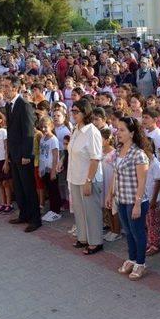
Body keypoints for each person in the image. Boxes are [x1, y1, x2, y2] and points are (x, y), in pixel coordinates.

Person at [106, 116, 150, 278]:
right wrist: (110, 194)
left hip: (135, 201)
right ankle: (131, 259)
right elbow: (115, 175)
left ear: (132, 133)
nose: (118, 133)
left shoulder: (138, 154)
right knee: (129, 232)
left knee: (138, 232)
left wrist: (138, 204)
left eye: (122, 130)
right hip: (122, 199)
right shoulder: (118, 151)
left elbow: (142, 180)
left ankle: (140, 263)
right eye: (117, 129)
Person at [2, 75, 41, 233]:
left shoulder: (24, 105)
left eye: (6, 87)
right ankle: (24, 214)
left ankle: (35, 219)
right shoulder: (9, 105)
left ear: (15, 88)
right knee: (18, 187)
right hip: (15, 153)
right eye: (3, 86)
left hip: (24, 155)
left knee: (28, 188)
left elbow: (28, 132)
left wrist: (26, 154)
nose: (4, 90)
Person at [68, 98, 103, 250]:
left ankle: (95, 242)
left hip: (88, 178)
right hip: (75, 176)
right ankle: (83, 238)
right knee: (79, 209)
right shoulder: (76, 129)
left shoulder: (92, 131)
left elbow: (95, 158)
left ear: (85, 112)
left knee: (91, 212)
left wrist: (89, 180)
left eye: (77, 111)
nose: (73, 114)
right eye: (72, 111)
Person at [38, 116, 62, 222]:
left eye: (46, 127)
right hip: (44, 169)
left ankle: (56, 211)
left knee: (54, 191)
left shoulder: (53, 140)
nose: (43, 129)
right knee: (49, 190)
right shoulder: (43, 138)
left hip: (51, 169)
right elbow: (41, 154)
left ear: (51, 126)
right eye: (42, 127)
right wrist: (40, 168)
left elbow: (55, 156)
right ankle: (51, 210)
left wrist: (53, 171)